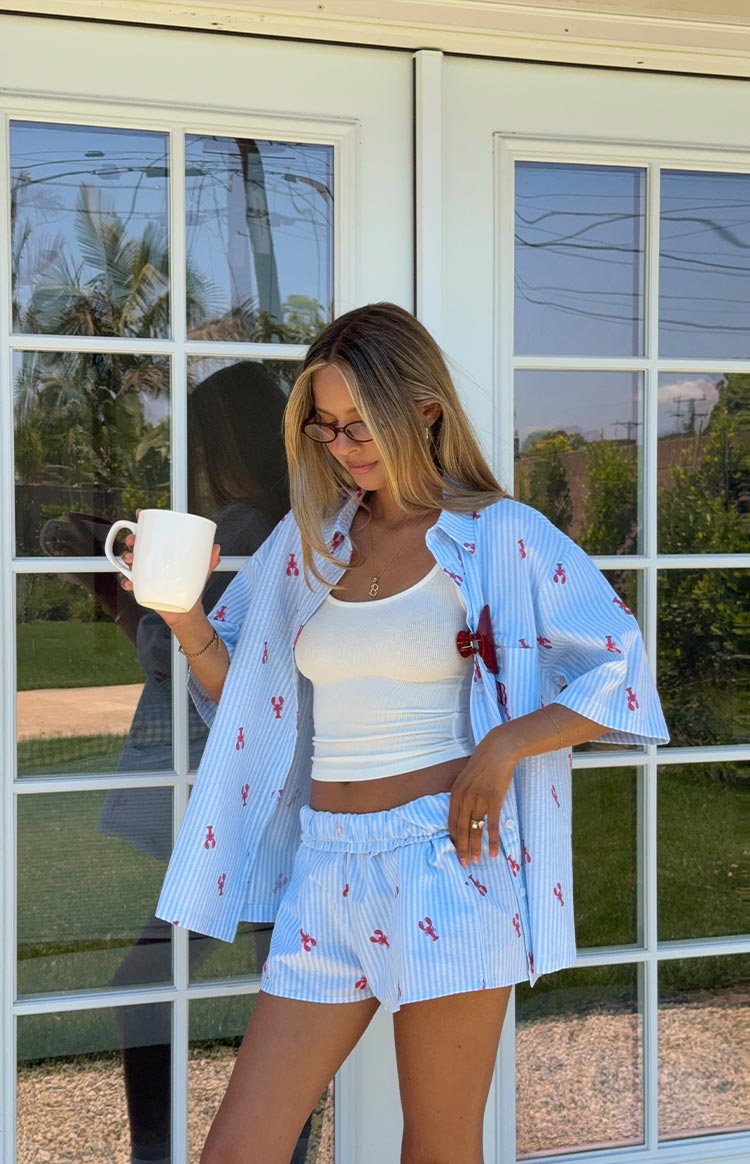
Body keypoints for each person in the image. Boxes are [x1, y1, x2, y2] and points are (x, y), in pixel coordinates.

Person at [121, 302, 668, 1164]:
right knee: (237, 1151)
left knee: (439, 1151)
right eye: (327, 428)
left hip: (447, 862)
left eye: (361, 422)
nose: (345, 446)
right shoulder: (311, 543)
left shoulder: (500, 536)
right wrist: (184, 617)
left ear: (425, 409)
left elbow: (622, 671)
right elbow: (248, 699)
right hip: (325, 864)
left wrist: (503, 746)